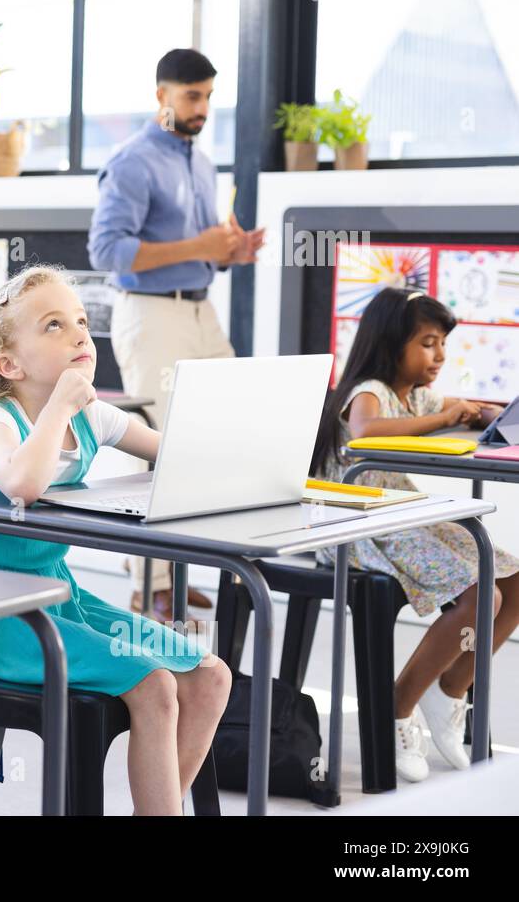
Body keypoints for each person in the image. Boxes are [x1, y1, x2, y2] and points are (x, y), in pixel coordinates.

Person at [0, 266, 230, 815]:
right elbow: (22, 485)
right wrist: (60, 403)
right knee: (154, 685)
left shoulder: (92, 414)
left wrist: (241, 450)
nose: (79, 334)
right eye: (54, 325)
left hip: (59, 598)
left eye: (81, 322)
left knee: (208, 677)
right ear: (9, 364)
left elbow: (177, 453)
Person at [88, 46, 266, 621]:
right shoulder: (133, 161)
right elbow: (107, 250)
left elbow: (202, 251)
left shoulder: (201, 163)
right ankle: (150, 581)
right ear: (161, 95)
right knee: (156, 442)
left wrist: (228, 253)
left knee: (225, 424)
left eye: (210, 96)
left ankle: (179, 563)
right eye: (192, 96)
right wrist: (200, 247)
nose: (203, 107)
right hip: (151, 313)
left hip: (199, 308)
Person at [312, 286, 516, 782]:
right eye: (428, 343)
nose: (439, 355)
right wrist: (445, 416)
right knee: (481, 595)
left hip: (401, 512)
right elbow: (362, 430)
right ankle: (398, 704)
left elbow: (449, 407)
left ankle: (447, 691)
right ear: (391, 341)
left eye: (442, 344)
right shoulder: (369, 390)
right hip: (355, 521)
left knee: (514, 580)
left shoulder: (416, 395)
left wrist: (484, 415)